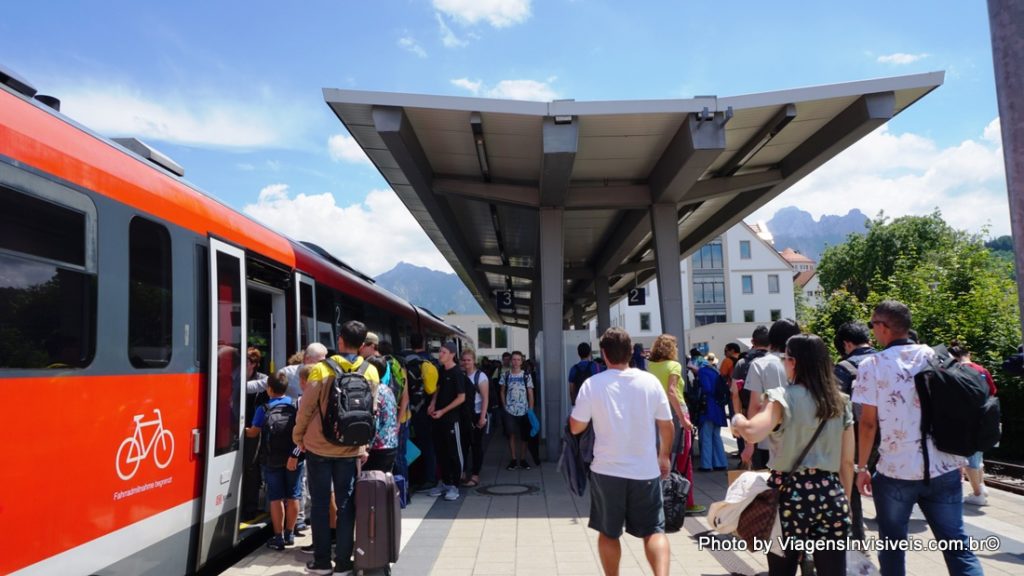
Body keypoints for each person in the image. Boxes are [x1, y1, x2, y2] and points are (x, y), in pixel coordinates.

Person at [853, 301, 983, 576]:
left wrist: (862, 468)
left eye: (873, 324)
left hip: (896, 470)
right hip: (944, 466)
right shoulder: (938, 357)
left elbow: (867, 424)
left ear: (882, 326)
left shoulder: (873, 365)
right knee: (957, 546)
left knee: (892, 546)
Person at [732, 334, 855, 576]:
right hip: (831, 492)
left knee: (782, 569)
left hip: (789, 494)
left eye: (785, 358)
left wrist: (738, 419)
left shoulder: (781, 397)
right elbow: (847, 462)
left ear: (794, 362)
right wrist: (845, 501)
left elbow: (753, 433)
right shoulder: (840, 402)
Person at [570, 327, 674, 576]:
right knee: (653, 531)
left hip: (606, 470)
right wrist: (664, 456)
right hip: (645, 470)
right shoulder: (649, 382)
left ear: (603, 354)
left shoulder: (592, 384)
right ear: (631, 352)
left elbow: (575, 427)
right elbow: (667, 425)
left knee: (608, 532)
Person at [293, 320, 380, 576]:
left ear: (340, 340)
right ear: (363, 345)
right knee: (346, 505)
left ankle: (321, 562)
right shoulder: (370, 371)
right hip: (350, 448)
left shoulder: (320, 370)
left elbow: (307, 408)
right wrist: (363, 446)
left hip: (319, 448)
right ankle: (344, 562)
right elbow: (369, 412)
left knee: (320, 505)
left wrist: (298, 437)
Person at [245, 374, 302, 550]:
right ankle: (290, 534)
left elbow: (253, 433)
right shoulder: (294, 405)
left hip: (271, 459)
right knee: (293, 495)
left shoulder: (263, 408)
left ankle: (278, 538)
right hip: (293, 458)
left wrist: (242, 430)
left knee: (276, 497)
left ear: (269, 389)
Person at [646, 334, 702, 514]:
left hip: (656, 415)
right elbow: (672, 392)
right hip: (676, 414)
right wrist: (684, 420)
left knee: (661, 457)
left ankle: (658, 501)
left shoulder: (651, 366)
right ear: (672, 348)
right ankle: (686, 502)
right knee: (684, 460)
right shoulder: (675, 365)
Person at [832, 321, 877, 541]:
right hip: (892, 435)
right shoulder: (885, 361)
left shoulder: (844, 369)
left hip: (858, 436)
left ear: (847, 344)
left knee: (851, 483)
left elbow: (836, 409)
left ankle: (857, 539)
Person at [743, 319, 801, 469]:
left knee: (768, 487)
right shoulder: (804, 363)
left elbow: (755, 406)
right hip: (801, 438)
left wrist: (750, 443)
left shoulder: (759, 364)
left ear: (771, 338)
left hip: (766, 438)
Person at [949, 341, 996, 507]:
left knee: (970, 459)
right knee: (978, 454)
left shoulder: (956, 370)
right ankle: (981, 487)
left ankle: (978, 494)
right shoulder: (982, 370)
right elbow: (992, 392)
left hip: (966, 419)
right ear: (968, 354)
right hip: (985, 416)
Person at [428, 341, 466, 501]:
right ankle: (444, 481)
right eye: (440, 352)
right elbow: (438, 389)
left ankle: (455, 486)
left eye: (443, 352)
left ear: (452, 354)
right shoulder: (441, 371)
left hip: (451, 419)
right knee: (440, 451)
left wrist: (443, 410)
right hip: (438, 418)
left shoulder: (457, 373)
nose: (440, 355)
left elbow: (461, 397)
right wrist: (432, 403)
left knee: (454, 453)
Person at [406, 334, 439, 491]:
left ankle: (414, 477)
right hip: (427, 411)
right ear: (425, 343)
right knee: (428, 445)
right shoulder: (431, 361)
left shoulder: (404, 361)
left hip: (409, 411)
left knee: (412, 444)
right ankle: (430, 477)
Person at [363, 346, 400, 474]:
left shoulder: (374, 391)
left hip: (377, 448)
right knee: (383, 486)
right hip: (391, 444)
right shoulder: (388, 389)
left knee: (372, 487)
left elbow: (375, 420)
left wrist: (366, 448)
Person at [499, 350, 535, 470]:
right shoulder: (506, 375)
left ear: (521, 361)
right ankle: (514, 459)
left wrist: (531, 409)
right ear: (510, 361)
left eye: (518, 359)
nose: (515, 362)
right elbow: (502, 391)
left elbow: (530, 393)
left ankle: (523, 459)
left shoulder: (526, 375)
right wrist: (504, 406)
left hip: (524, 410)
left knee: (525, 436)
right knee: (511, 435)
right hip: (510, 411)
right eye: (513, 359)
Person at [460, 348, 489, 487]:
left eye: (469, 360)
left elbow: (485, 398)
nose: (466, 363)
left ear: (474, 361)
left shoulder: (481, 377)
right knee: (463, 445)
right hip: (464, 415)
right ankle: (463, 472)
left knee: (476, 446)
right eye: (464, 360)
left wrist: (483, 417)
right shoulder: (461, 375)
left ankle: (475, 475)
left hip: (477, 414)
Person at [696, 360, 728, 471]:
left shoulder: (702, 371)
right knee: (716, 436)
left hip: (708, 407)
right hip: (718, 407)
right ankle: (720, 462)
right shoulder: (714, 371)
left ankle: (706, 465)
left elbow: (707, 388)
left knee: (706, 436)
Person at [568, 342, 602, 406]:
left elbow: (571, 390)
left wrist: (573, 402)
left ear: (578, 354)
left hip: (580, 403)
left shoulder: (573, 369)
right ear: (590, 353)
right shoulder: (596, 367)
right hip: (594, 404)